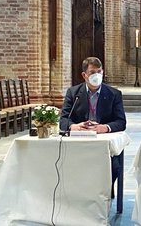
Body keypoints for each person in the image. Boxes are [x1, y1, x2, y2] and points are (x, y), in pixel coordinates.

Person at [59, 57, 126, 191]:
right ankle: (78, 190)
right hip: (80, 142)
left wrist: (105, 128)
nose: (96, 75)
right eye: (92, 72)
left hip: (103, 142)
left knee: (115, 166)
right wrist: (74, 126)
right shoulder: (73, 93)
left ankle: (104, 191)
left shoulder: (114, 94)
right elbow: (63, 120)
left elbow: (121, 122)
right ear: (84, 75)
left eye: (99, 72)